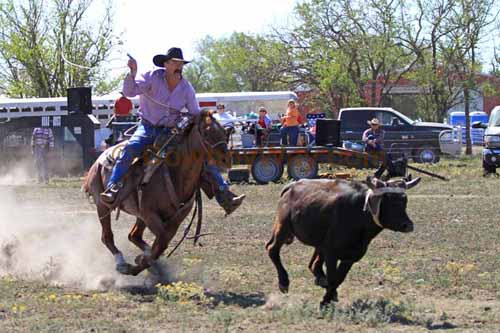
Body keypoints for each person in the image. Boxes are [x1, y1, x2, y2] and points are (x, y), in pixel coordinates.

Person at [100, 47, 245, 215]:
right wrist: (133, 72)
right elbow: (129, 92)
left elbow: (195, 113)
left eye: (181, 63)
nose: (179, 66)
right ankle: (113, 188)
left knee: (202, 157)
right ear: (166, 64)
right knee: (130, 149)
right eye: (175, 63)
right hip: (147, 127)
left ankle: (224, 195)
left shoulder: (186, 87)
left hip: (172, 131)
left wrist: (193, 124)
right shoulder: (151, 77)